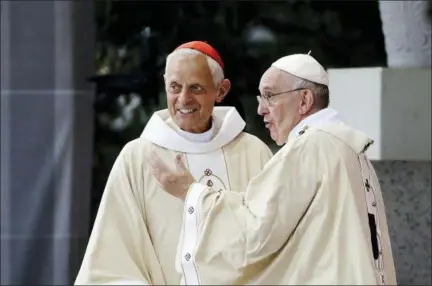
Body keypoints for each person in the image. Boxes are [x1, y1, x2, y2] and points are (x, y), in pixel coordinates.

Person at [150, 53, 397, 285]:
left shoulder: (309, 147)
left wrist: (192, 193)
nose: (261, 109)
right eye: (260, 98)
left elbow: (256, 233)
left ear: (304, 100)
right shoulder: (348, 147)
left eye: (270, 95)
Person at [74, 41, 273, 285]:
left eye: (196, 88)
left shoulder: (253, 153)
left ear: (220, 91)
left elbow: (273, 239)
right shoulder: (139, 157)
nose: (183, 99)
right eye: (175, 87)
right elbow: (112, 257)